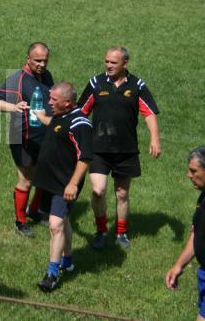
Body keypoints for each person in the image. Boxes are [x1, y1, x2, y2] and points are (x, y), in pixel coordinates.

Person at [78, 46, 161, 249]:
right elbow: (81, 112)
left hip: (126, 149)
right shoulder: (96, 83)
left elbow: (149, 113)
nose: (108, 66)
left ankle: (121, 233)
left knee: (122, 193)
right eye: (106, 61)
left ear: (125, 63)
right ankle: (101, 230)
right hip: (98, 148)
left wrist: (155, 138)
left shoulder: (137, 85)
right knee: (98, 191)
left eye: (113, 63)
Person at [32, 82, 93, 292]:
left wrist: (73, 184)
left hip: (64, 184)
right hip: (50, 181)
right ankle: (68, 261)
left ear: (67, 103)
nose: (49, 103)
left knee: (55, 225)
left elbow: (84, 157)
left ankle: (52, 274)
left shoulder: (81, 124)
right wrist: (41, 117)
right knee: (63, 220)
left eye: (53, 100)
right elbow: (57, 127)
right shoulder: (62, 116)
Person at [0, 42, 54, 237]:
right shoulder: (17, 79)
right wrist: (13, 107)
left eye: (45, 60)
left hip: (44, 136)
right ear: (28, 59)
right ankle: (20, 221)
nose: (42, 64)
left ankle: (35, 212)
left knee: (43, 176)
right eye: (37, 61)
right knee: (26, 178)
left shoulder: (47, 76)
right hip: (23, 138)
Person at [165, 147, 205, 321]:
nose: (189, 175)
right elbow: (197, 233)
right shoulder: (203, 198)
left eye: (193, 171)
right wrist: (179, 265)